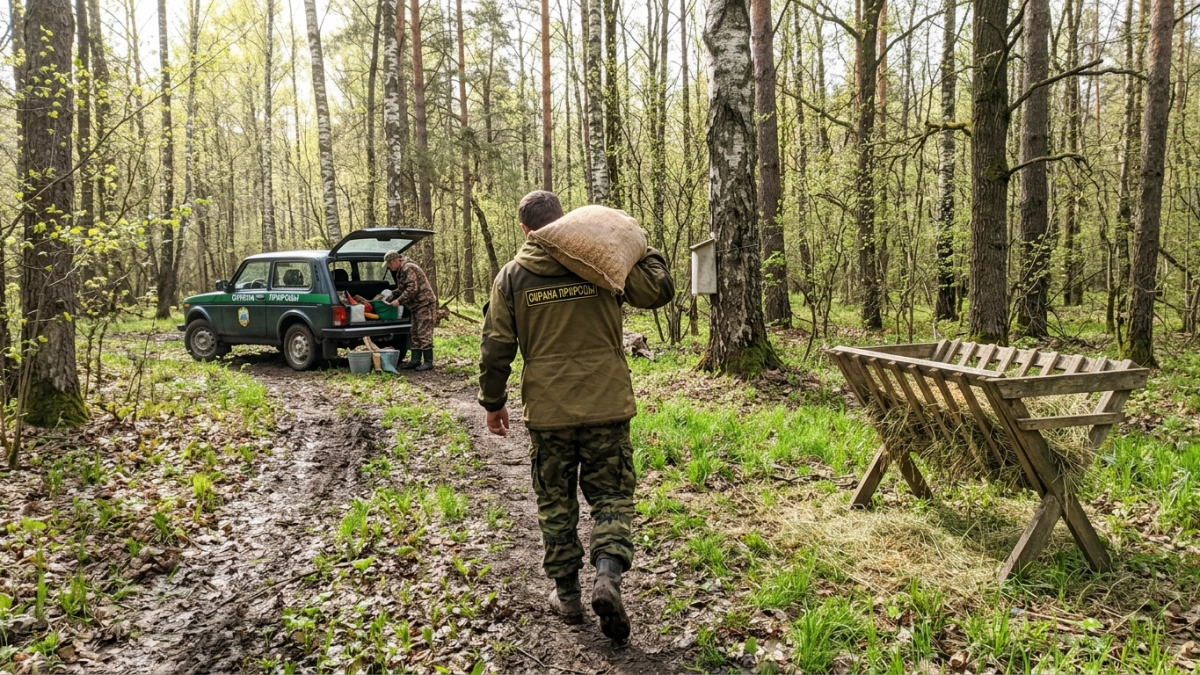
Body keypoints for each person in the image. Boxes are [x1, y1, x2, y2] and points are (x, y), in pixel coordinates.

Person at [477, 191, 675, 641]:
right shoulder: (600, 261)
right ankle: (607, 574)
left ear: (525, 230)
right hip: (607, 402)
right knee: (612, 495)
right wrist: (641, 245)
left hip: (548, 412)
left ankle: (567, 597)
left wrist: (493, 402)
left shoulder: (512, 276)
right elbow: (659, 290)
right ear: (564, 221)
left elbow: (495, 346)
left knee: (555, 501)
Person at [383, 250, 437, 371]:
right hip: (416, 306)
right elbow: (401, 288)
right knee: (414, 332)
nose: (389, 266)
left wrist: (399, 301)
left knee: (423, 332)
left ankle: (428, 361)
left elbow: (412, 288)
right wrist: (390, 296)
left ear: (396, 260)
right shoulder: (401, 271)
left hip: (424, 303)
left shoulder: (408, 268)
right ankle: (415, 360)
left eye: (390, 263)